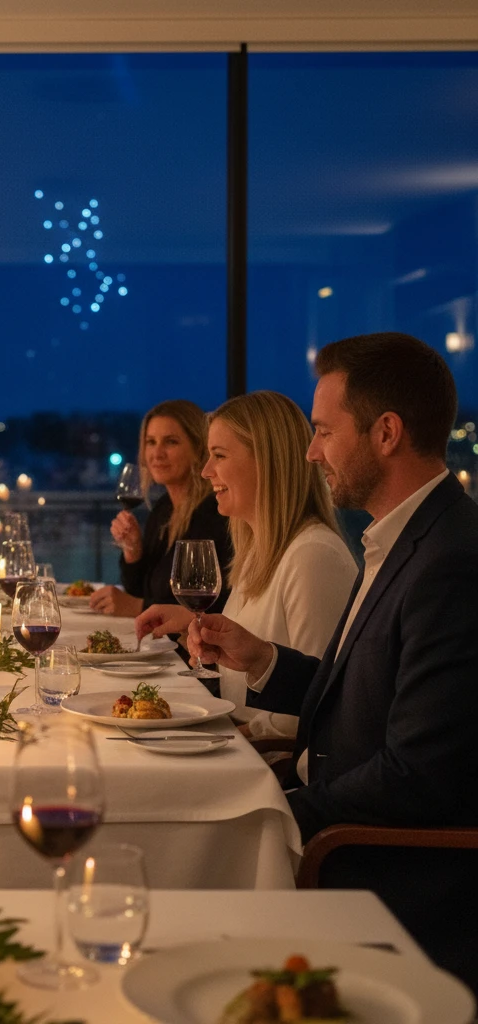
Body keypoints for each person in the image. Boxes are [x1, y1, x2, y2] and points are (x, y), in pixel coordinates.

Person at [187, 332, 478, 991]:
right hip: (337, 822)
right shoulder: (401, 540)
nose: (312, 451)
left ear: (386, 433)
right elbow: (358, 695)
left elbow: (420, 775)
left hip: (385, 869)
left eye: (322, 430)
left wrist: (282, 806)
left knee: (186, 865)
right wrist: (263, 659)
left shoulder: (451, 563)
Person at [136, 392, 358, 739]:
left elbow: (321, 704)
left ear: (268, 462)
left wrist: (228, 736)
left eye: (219, 456)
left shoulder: (313, 556)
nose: (206, 471)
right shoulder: (257, 553)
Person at [89, 399, 231, 617]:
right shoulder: (164, 508)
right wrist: (133, 551)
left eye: (171, 442)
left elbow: (212, 607)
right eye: (151, 442)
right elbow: (138, 591)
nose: (157, 453)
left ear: (198, 447)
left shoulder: (214, 512)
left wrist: (138, 608)